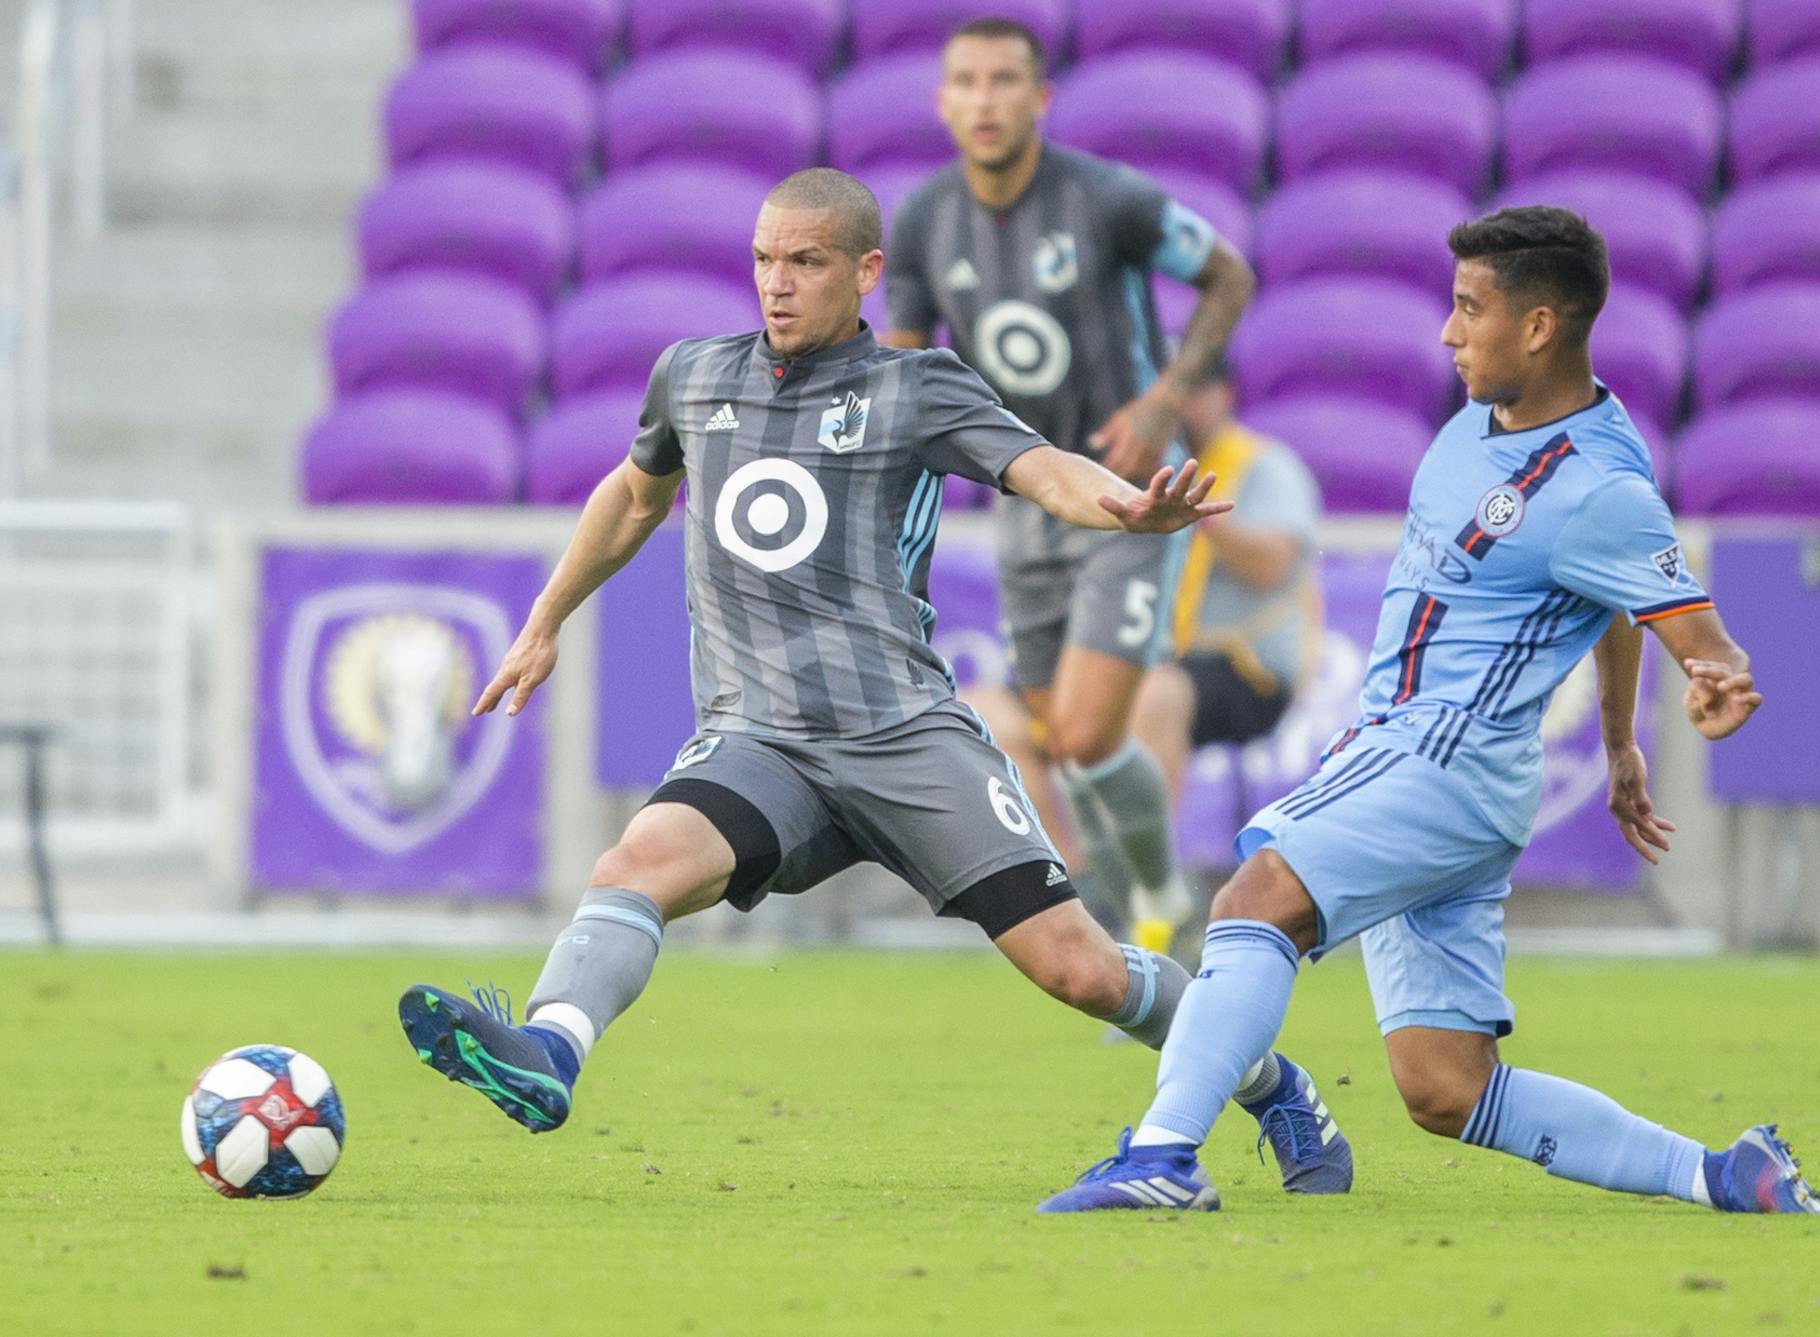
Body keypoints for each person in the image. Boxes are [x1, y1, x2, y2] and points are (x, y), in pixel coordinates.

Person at [395, 169, 1349, 1195]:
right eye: (764, 258)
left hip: (904, 736)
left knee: (1082, 968)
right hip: (761, 741)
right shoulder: (693, 376)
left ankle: (1270, 1078)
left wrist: (1124, 508)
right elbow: (632, 497)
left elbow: (1043, 468)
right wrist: (542, 623)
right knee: (636, 861)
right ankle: (550, 1048)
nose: (777, 283)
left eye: (805, 262)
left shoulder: (916, 387)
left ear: (867, 272)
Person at [1039, 207, 1820, 1215]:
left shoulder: (1599, 482)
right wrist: (1620, 738)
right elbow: (1612, 595)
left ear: (1539, 326)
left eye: (1469, 308)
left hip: (1439, 755)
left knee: (1251, 901)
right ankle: (1722, 1173)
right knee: (1445, 1086)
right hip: (1457, 780)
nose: (1447, 333)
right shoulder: (1480, 426)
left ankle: (1162, 1155)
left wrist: (1717, 674)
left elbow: (1690, 625)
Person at [884, 18, 1258, 956]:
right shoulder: (927, 217)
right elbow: (899, 357)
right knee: (1060, 734)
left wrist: (1168, 398)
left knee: (1088, 734)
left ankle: (1157, 892)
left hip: (1128, 502)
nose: (984, 99)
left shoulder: (1107, 198)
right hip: (1026, 503)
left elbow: (1228, 275)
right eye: (965, 81)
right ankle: (1160, 897)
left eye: (1004, 80)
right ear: (942, 102)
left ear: (1039, 98)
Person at [965, 363, 1321, 923]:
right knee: (986, 715)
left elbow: (1272, 566)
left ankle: (1152, 884)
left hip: (1237, 665)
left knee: (1154, 692)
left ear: (1227, 393)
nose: (1183, 403)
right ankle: (1078, 882)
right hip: (1126, 647)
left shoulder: (1264, 466)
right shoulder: (1116, 466)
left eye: (1197, 388)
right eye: (1170, 388)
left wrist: (1181, 514)